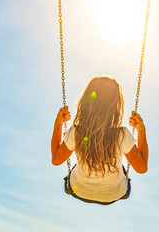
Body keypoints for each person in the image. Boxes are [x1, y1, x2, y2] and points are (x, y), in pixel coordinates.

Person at [50, 76, 149, 205]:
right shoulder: (122, 135)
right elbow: (141, 168)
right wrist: (141, 130)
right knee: (122, 168)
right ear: (116, 106)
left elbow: (56, 160)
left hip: (79, 189)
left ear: (85, 101)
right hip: (114, 193)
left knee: (77, 164)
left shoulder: (76, 132)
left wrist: (58, 123)